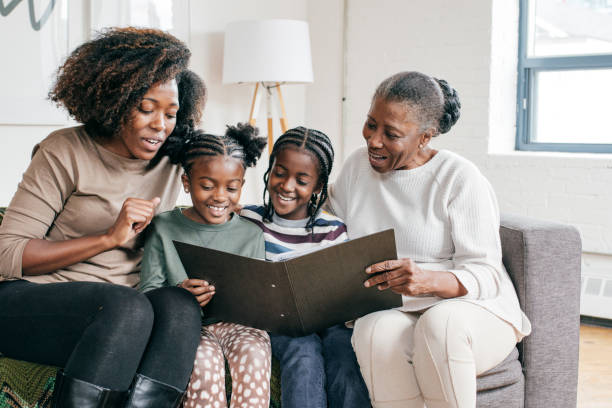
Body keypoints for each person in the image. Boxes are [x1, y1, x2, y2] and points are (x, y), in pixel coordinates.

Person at [0, 27, 207, 408]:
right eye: (146, 108)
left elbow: (222, 176)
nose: (160, 125)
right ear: (115, 99)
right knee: (126, 308)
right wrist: (108, 238)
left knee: (179, 307)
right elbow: (8, 254)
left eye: (171, 114)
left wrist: (234, 211)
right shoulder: (64, 150)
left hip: (127, 310)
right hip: (32, 299)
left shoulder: (173, 156)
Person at [327, 71, 532, 408]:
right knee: (373, 331)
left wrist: (426, 281)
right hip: (400, 307)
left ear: (425, 137)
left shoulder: (459, 178)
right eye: (370, 124)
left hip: (475, 309)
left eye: (391, 134)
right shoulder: (357, 169)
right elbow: (322, 215)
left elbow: (486, 275)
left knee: (441, 325)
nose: (374, 141)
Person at [138, 124, 271, 408]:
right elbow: (149, 289)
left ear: (242, 186)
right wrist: (179, 293)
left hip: (238, 323)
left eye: (231, 188)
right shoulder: (163, 226)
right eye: (207, 186)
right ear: (187, 183)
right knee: (203, 359)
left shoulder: (251, 234)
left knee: (254, 351)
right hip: (188, 326)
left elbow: (257, 296)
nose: (220, 196)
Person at [241, 126, 371, 408]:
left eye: (301, 180)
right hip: (277, 322)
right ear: (270, 169)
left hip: (328, 321)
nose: (287, 186)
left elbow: (344, 289)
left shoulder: (333, 230)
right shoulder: (248, 219)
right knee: (304, 351)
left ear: (318, 185)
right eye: (280, 173)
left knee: (344, 356)